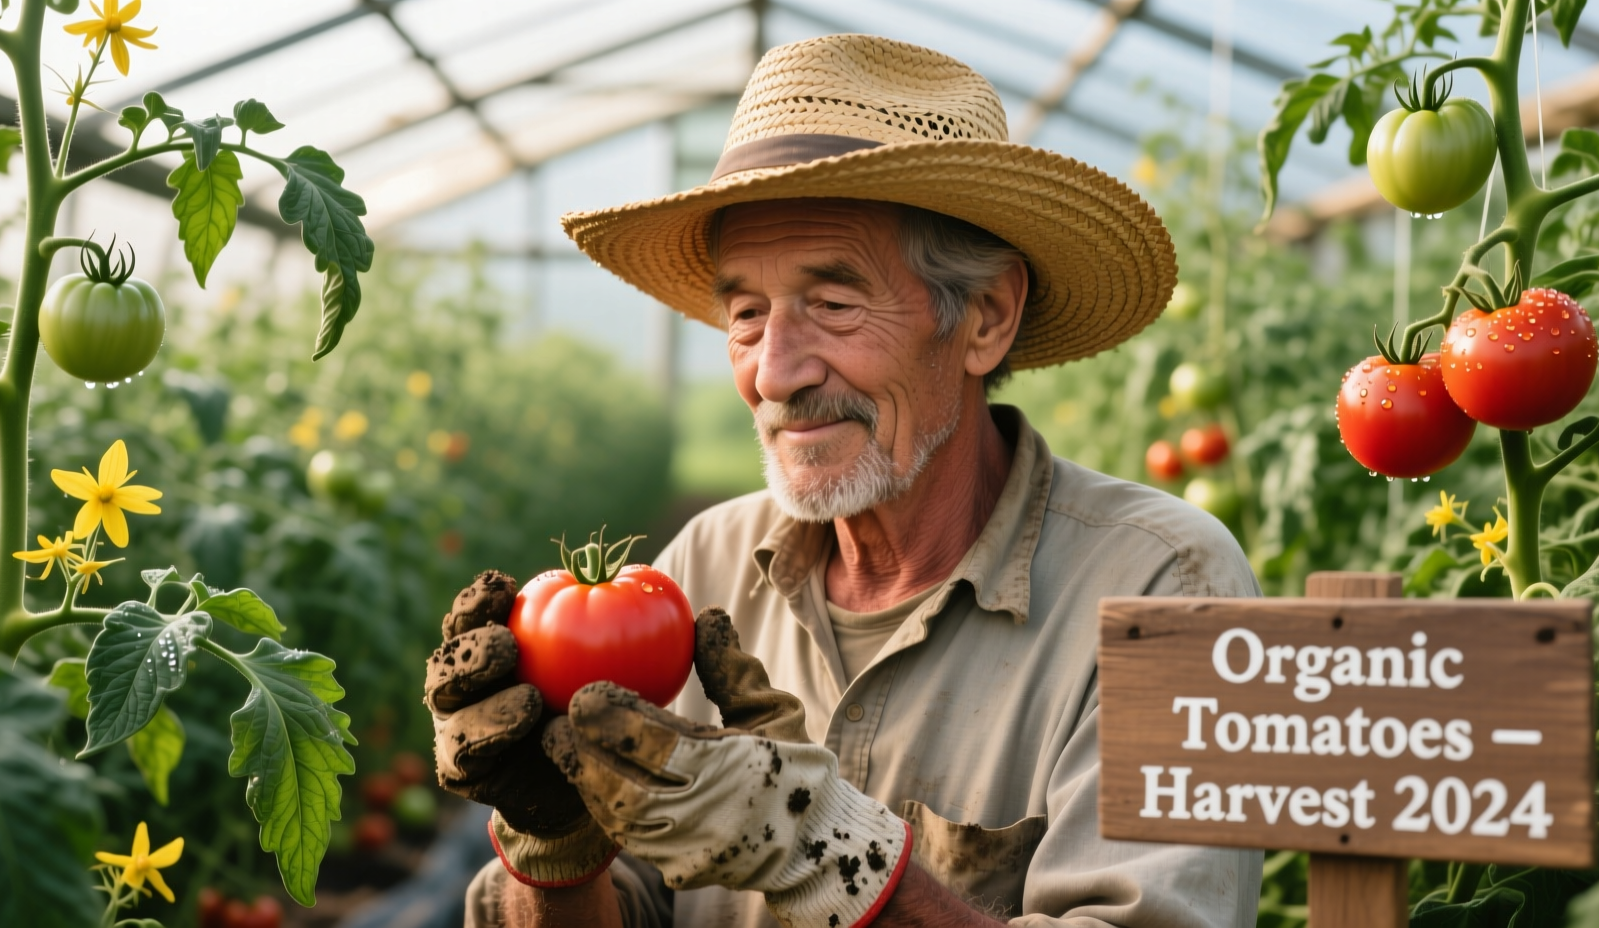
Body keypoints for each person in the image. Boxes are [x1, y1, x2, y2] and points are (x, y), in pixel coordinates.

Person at [426, 33, 1263, 928]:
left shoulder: (1163, 593)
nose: (776, 372)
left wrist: (828, 848)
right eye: (747, 314)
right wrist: (555, 848)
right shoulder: (700, 569)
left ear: (986, 317)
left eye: (833, 304)